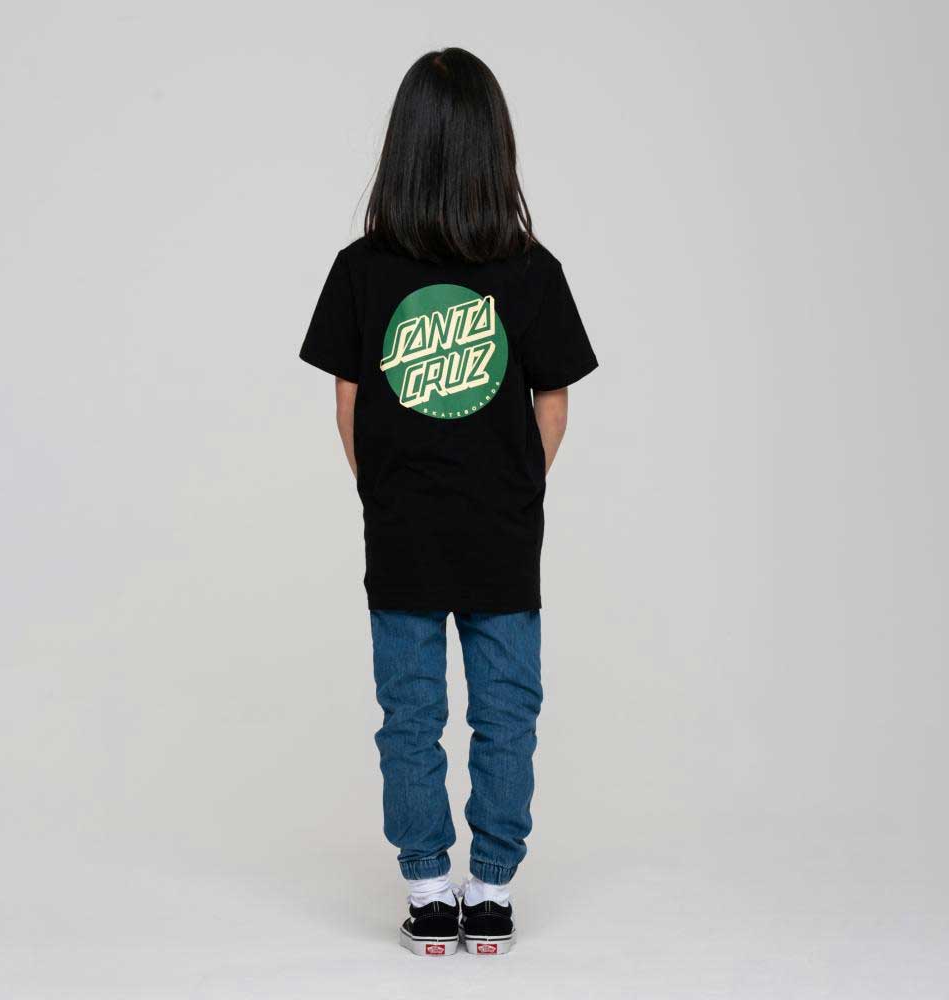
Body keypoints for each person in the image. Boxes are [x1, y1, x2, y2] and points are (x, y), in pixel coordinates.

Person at [299, 47, 598, 956]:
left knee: (410, 716)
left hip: (406, 533)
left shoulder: (368, 269)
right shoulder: (526, 269)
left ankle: (432, 889)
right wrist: (516, 489)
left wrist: (383, 494)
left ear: (403, 148)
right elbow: (554, 403)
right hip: (498, 535)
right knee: (506, 711)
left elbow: (348, 404)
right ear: (494, 150)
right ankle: (488, 890)